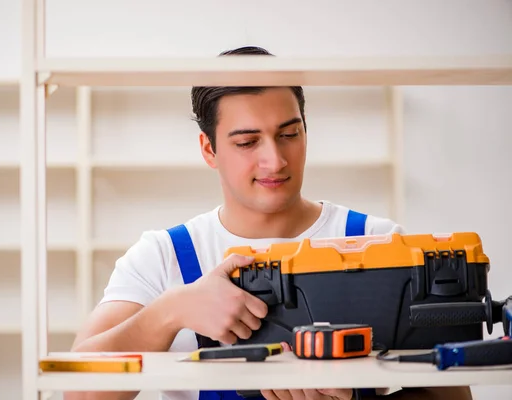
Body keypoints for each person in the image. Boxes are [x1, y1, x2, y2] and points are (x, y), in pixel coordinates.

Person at [66, 46, 473, 400]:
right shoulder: (164, 257)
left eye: (289, 134)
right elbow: (79, 393)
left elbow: (453, 395)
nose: (275, 161)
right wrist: (171, 311)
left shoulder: (378, 242)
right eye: (247, 142)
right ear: (209, 149)